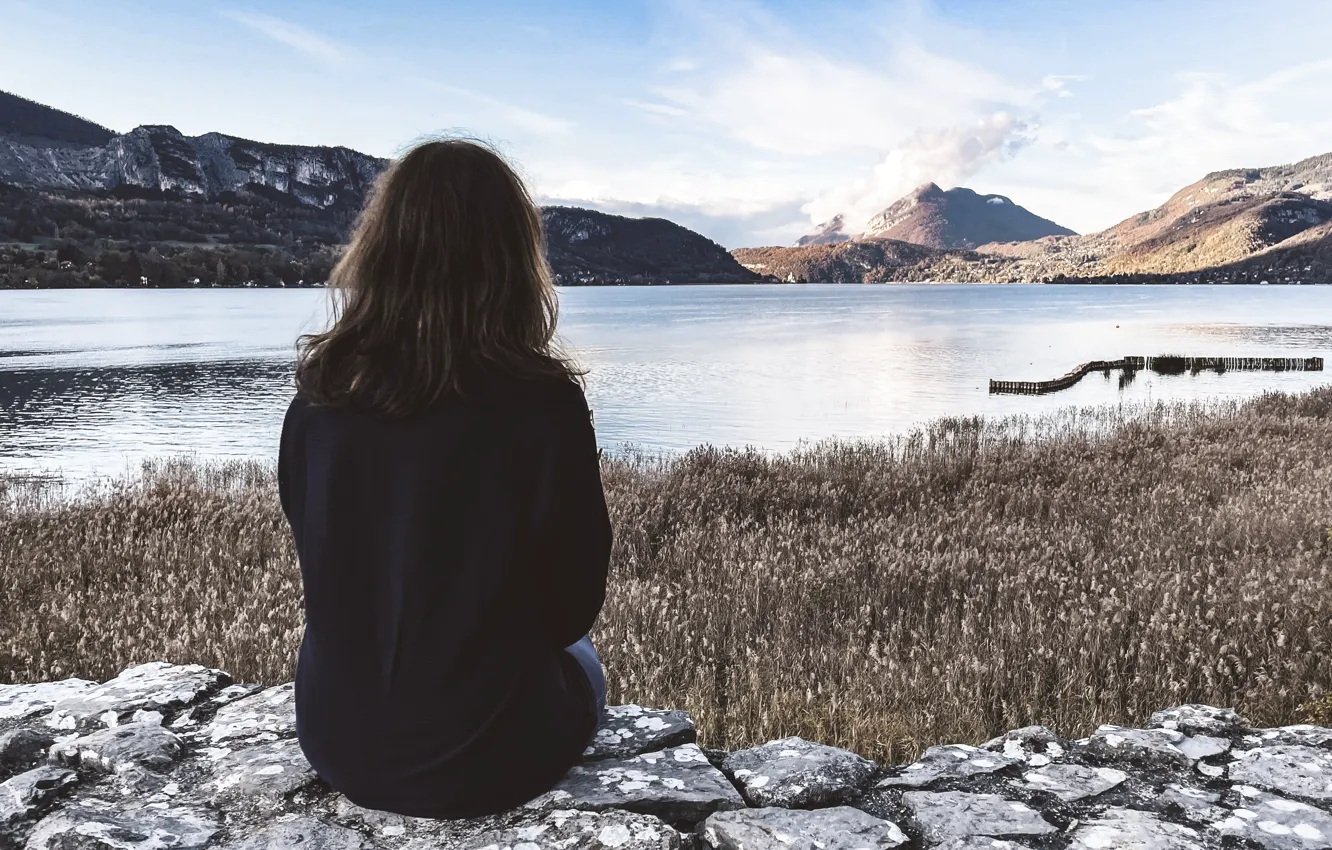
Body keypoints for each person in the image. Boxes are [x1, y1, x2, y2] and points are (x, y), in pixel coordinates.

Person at [277, 138, 611, 819]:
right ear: (514, 258)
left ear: (379, 248)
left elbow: (321, 558)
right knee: (588, 664)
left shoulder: (320, 395)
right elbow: (573, 607)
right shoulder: (543, 401)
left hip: (337, 740)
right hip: (488, 756)